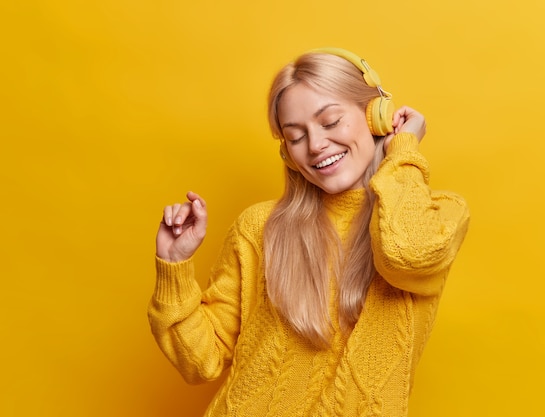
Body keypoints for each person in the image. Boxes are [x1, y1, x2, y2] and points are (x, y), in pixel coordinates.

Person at [148, 47, 470, 417]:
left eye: (331, 121)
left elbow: (407, 253)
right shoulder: (259, 227)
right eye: (296, 136)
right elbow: (200, 361)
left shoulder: (439, 216)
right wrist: (174, 266)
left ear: (376, 117)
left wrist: (402, 148)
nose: (315, 145)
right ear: (287, 153)